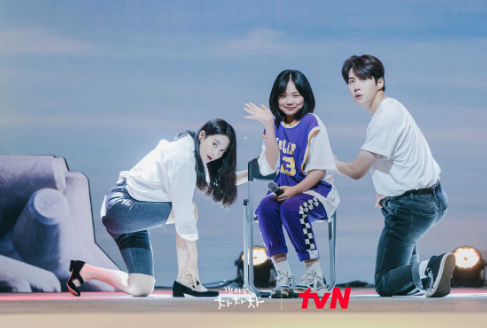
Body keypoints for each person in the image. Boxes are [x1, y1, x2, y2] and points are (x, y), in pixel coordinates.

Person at [66, 119, 239, 298]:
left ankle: (85, 271)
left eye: (222, 151)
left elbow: (218, 182)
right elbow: (184, 217)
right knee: (189, 210)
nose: (215, 153)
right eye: (215, 144)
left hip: (133, 215)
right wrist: (193, 267)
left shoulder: (191, 154)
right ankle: (185, 279)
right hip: (122, 208)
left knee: (141, 287)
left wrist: (251, 173)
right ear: (202, 135)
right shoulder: (184, 159)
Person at [334, 55, 455, 298]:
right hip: (432, 199)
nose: (356, 86)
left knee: (385, 281)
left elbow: (357, 170)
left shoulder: (383, 120)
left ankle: (430, 268)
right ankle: (426, 278)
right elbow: (404, 156)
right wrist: (386, 190)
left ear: (379, 82)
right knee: (402, 280)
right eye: (351, 81)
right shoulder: (394, 107)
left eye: (363, 79)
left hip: (412, 207)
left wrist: (327, 161)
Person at [244, 70, 339, 298]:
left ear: (305, 96)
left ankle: (314, 274)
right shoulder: (274, 125)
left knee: (291, 207)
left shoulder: (312, 122)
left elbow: (319, 170)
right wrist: (269, 124)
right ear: (275, 98)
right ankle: (284, 275)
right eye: (283, 95)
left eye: (296, 95)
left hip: (317, 193)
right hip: (286, 193)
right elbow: (270, 165)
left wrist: (295, 190)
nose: (289, 101)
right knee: (265, 207)